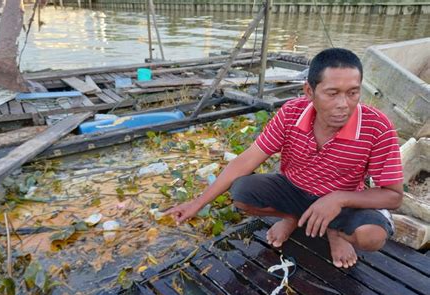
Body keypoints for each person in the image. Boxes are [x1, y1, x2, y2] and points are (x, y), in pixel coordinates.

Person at [165, 48, 403, 268]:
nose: (344, 104)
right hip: (295, 189)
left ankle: (335, 232)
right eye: (332, 93)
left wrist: (339, 199)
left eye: (353, 93)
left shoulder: (377, 127)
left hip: (344, 202)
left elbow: (393, 196)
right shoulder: (291, 113)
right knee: (242, 192)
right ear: (309, 91)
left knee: (372, 236)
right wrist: (196, 203)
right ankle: (293, 217)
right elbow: (246, 160)